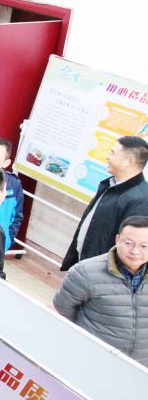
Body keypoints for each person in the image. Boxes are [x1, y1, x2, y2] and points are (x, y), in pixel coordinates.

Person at [53, 215, 148, 365]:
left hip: (140, 366)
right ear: (117, 240)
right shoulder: (85, 272)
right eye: (128, 243)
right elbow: (63, 307)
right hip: (94, 359)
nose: (134, 251)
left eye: (144, 246)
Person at [62, 135, 148, 270]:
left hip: (100, 274)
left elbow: (131, 250)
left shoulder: (141, 200)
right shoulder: (110, 184)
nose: (108, 156)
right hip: (84, 266)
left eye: (113, 153)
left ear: (129, 162)